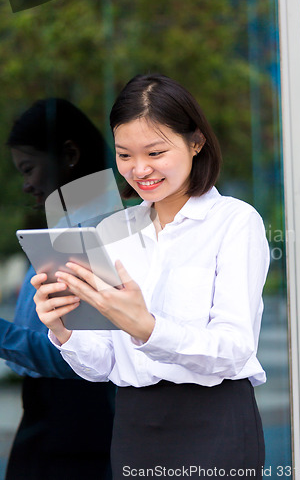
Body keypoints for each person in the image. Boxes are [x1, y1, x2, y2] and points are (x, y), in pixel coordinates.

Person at [32, 75, 270, 479]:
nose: (139, 170)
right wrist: (64, 329)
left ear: (196, 143)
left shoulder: (235, 222)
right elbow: (103, 363)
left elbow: (234, 348)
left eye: (156, 152)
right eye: (124, 155)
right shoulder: (110, 232)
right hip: (134, 424)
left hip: (214, 420)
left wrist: (148, 327)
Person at [2, 98, 116, 480]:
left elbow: (77, 358)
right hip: (59, 423)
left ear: (69, 154)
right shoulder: (69, 228)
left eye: (29, 168)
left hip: (73, 428)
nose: (26, 184)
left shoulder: (92, 234)